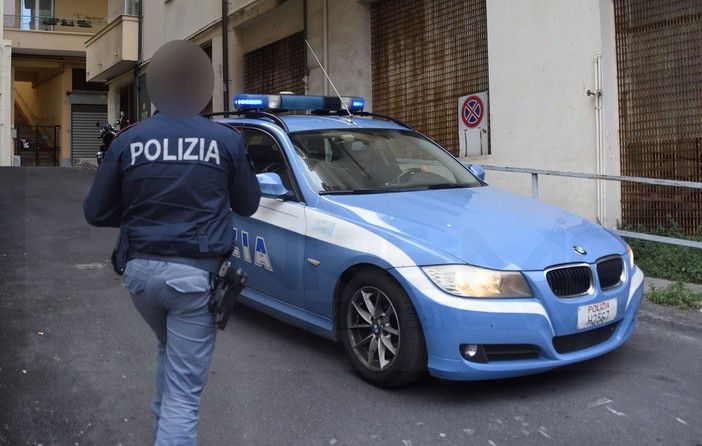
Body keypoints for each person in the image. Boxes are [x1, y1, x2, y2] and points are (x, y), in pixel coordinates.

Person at [83, 40, 261, 445]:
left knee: (170, 348)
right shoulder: (226, 140)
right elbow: (248, 204)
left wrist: (137, 217)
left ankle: (160, 429)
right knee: (185, 399)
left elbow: (95, 212)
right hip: (195, 280)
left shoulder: (129, 140)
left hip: (141, 276)